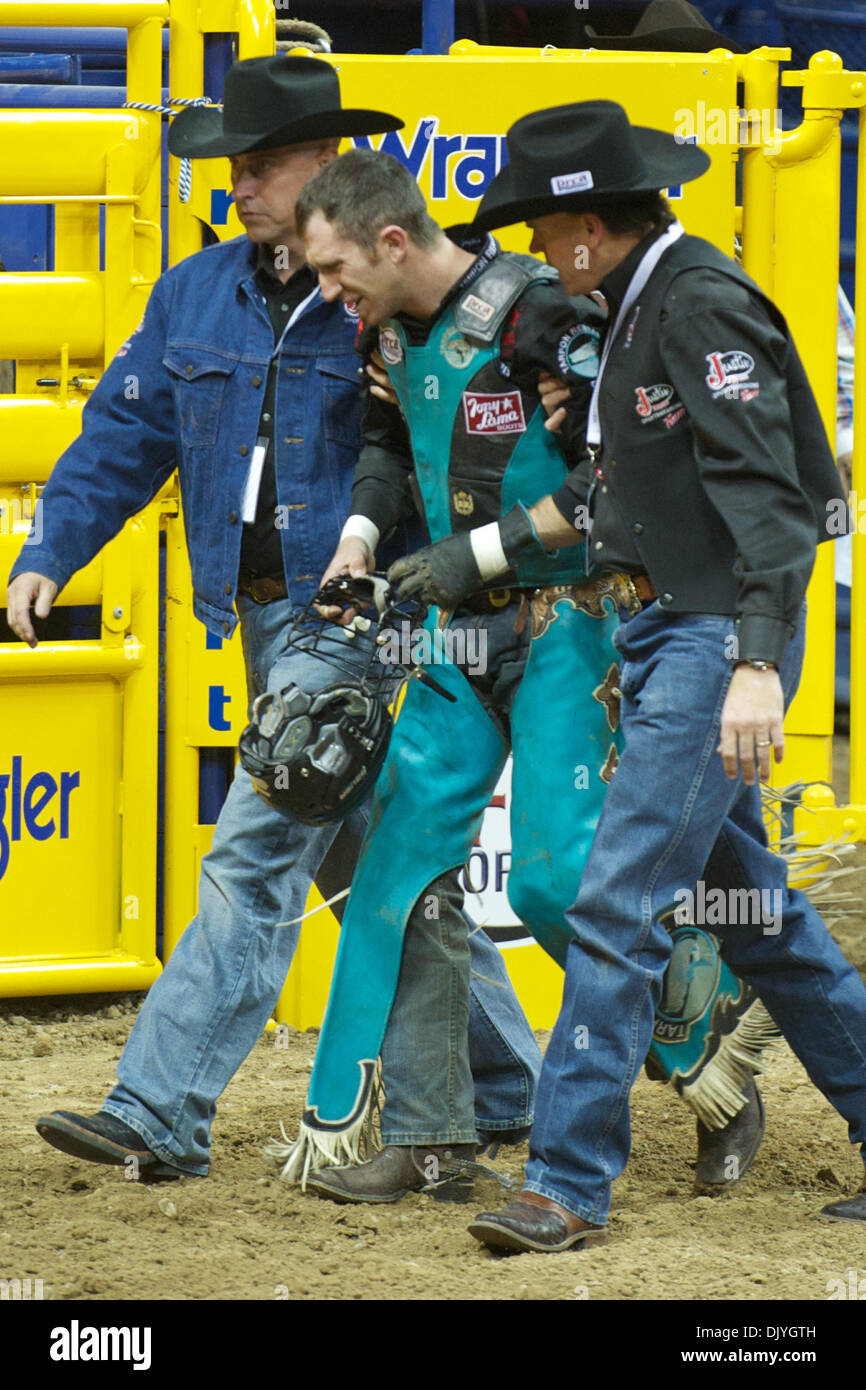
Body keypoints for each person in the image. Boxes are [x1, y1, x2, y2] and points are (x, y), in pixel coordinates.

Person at [4, 55, 541, 1182]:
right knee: (370, 857)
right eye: (234, 170)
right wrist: (50, 549)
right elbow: (121, 434)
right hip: (268, 616)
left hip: (358, 612)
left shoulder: (383, 299)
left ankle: (158, 1105)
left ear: (328, 169)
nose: (237, 188)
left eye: (258, 167)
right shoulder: (196, 291)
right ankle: (502, 1081)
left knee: (255, 853)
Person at [386, 99, 866, 1250]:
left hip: (704, 641)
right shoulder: (649, 304)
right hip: (670, 637)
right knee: (748, 914)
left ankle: (565, 1181)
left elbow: (769, 501)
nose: (543, 259)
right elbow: (674, 492)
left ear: (586, 228)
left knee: (614, 901)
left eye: (547, 238)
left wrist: (755, 661)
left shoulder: (691, 304)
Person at [266, 145, 774, 1204]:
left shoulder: (543, 316)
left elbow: (616, 472)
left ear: (391, 242)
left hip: (568, 625)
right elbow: (389, 441)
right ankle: (426, 1133)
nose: (322, 293)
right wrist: (361, 535)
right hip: (453, 638)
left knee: (556, 883)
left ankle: (702, 1044)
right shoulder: (388, 331)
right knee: (394, 872)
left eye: (330, 270)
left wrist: (476, 554)